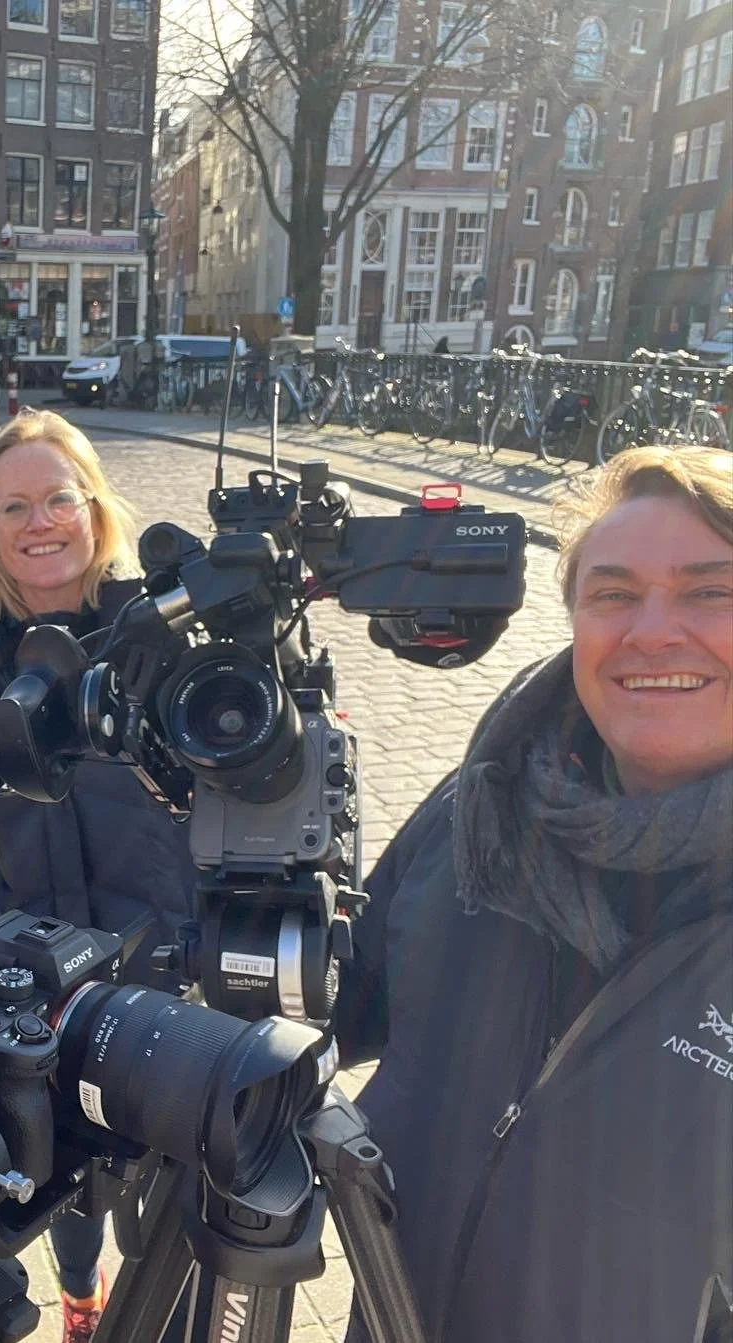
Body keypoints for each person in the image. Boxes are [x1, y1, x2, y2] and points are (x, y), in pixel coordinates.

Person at [337, 445, 733, 1343]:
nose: (654, 630)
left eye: (711, 590)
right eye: (614, 593)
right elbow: (334, 997)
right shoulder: (478, 810)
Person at [0, 409, 200, 1343]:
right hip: (42, 1002)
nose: (38, 522)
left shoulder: (161, 645)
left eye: (56, 498)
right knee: (55, 1174)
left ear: (94, 509)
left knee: (170, 1195)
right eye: (13, 507)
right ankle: (82, 1297)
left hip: (170, 989)